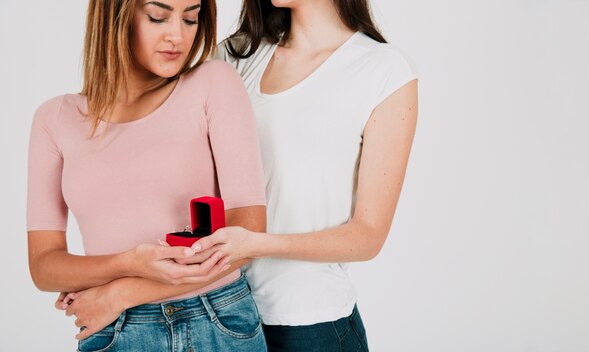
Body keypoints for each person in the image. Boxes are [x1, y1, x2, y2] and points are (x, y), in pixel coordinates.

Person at [27, 0, 268, 350]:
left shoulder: (213, 83)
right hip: (113, 331)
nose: (178, 36)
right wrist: (128, 263)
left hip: (216, 320)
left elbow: (248, 236)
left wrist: (123, 291)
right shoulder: (54, 119)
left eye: (190, 18)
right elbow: (44, 267)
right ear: (115, 16)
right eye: (158, 17)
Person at [185, 0, 418, 350]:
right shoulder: (235, 56)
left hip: (313, 329)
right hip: (224, 318)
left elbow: (367, 236)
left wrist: (257, 244)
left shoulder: (384, 71)